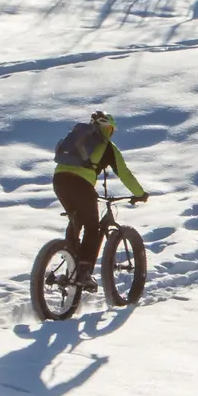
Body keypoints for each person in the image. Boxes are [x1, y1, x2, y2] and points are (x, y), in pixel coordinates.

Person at [53, 110, 148, 290]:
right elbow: (125, 174)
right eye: (111, 129)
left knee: (76, 219)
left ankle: (70, 264)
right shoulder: (107, 146)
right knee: (92, 226)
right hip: (81, 184)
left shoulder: (78, 138)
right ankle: (84, 271)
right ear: (108, 129)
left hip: (59, 180)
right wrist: (140, 193)